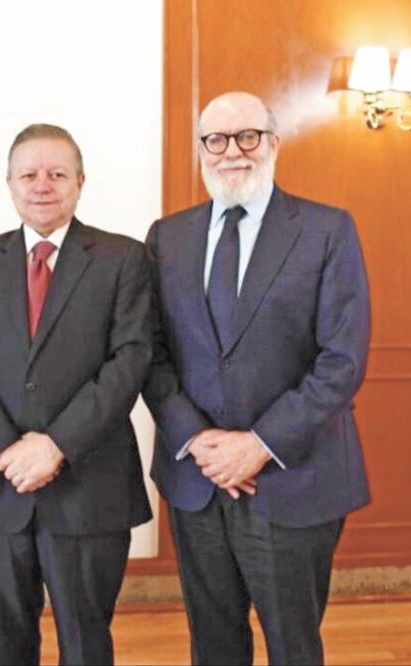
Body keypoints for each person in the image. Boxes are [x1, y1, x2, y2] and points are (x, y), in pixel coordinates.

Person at [144, 91, 371, 665]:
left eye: (247, 136)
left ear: (272, 143)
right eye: (216, 140)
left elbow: (341, 360)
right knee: (214, 645)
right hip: (199, 482)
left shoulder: (326, 230)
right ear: (201, 150)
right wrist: (198, 441)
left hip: (295, 478)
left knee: (293, 645)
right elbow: (151, 353)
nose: (231, 152)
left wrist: (259, 445)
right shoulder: (167, 237)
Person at [0, 124, 154, 665]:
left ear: (80, 182)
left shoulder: (122, 259)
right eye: (29, 174)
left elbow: (130, 361)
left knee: (85, 639)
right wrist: (6, 450)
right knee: (5, 637)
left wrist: (56, 444)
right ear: (8, 184)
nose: (43, 185)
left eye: (57, 174)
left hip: (89, 482)